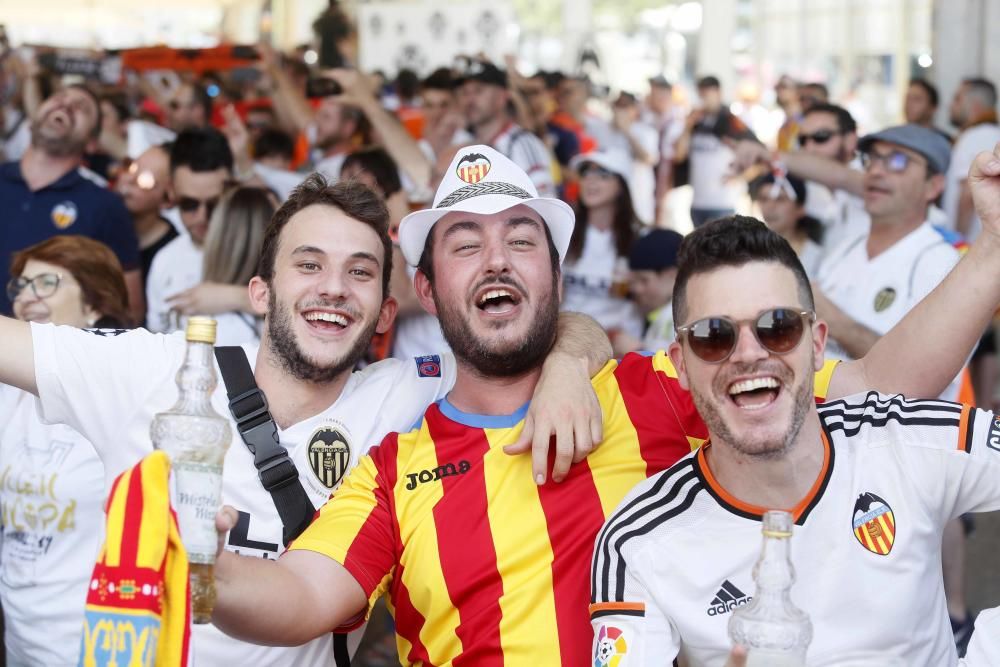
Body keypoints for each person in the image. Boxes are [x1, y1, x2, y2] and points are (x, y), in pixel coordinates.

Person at [208, 141, 1000, 664]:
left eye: (522, 241)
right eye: (464, 244)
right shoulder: (394, 468)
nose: (498, 261)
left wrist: (993, 247)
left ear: (555, 275)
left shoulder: (653, 388)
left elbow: (880, 389)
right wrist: (204, 571)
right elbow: (303, 595)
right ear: (423, 287)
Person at [0, 173, 607, 666]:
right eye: (309, 265)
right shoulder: (154, 370)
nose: (335, 288)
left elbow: (542, 328)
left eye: (361, 272)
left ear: (386, 310)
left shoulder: (411, 391)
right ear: (259, 294)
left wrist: (566, 368)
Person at [590, 208, 1000, 666]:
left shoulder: (898, 436)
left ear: (818, 343)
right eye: (712, 336)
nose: (748, 354)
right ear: (681, 363)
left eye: (777, 326)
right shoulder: (639, 538)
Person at [1, 236, 131, 666]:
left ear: (95, 304)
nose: (26, 298)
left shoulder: (124, 392)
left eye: (46, 283)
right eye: (20, 286)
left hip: (92, 640)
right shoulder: (7, 393)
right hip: (20, 635)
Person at [0, 84, 142, 320]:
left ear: (92, 143)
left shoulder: (106, 206)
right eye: (58, 97)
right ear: (32, 119)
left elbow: (128, 308)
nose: (66, 104)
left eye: (81, 108)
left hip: (41, 352)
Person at [734, 103, 867, 251]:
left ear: (850, 140)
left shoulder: (868, 182)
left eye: (821, 137)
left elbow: (841, 176)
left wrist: (769, 155)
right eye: (803, 140)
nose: (809, 148)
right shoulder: (811, 188)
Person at [145, 127, 233, 333]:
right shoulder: (164, 261)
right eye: (189, 204)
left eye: (214, 204)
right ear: (172, 192)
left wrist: (237, 297)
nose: (202, 217)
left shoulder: (262, 251)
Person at [562, 150, 643, 341]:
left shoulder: (640, 237)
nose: (590, 181)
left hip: (620, 343)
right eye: (585, 174)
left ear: (621, 185)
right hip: (570, 340)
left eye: (602, 175)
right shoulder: (563, 231)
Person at [455, 57, 556, 198]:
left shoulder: (523, 143)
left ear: (502, 97)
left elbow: (545, 207)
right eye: (464, 92)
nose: (470, 99)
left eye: (478, 91)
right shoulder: (461, 140)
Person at [673, 76, 756, 228]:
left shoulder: (731, 122)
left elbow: (758, 154)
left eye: (707, 95)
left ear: (718, 93)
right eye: (701, 95)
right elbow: (679, 155)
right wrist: (688, 126)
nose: (703, 100)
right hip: (698, 201)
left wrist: (740, 177)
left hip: (722, 201)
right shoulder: (696, 123)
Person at [114, 143, 178, 290]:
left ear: (168, 199)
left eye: (145, 180)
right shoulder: (100, 222)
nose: (128, 180)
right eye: (131, 167)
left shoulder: (171, 256)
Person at [613, 228, 684, 356]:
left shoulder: (684, 318)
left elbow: (679, 367)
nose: (636, 288)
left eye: (643, 280)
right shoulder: (648, 312)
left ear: (672, 276)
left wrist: (638, 351)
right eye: (633, 281)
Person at [944, 77, 1000, 239]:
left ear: (975, 106)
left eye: (957, 99)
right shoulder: (994, 134)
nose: (951, 105)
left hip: (970, 245)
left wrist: (957, 240)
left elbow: (968, 194)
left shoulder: (974, 136)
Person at [750, 169, 824, 276]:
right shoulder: (751, 253)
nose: (769, 207)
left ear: (800, 208)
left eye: (779, 199)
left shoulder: (818, 259)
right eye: (764, 199)